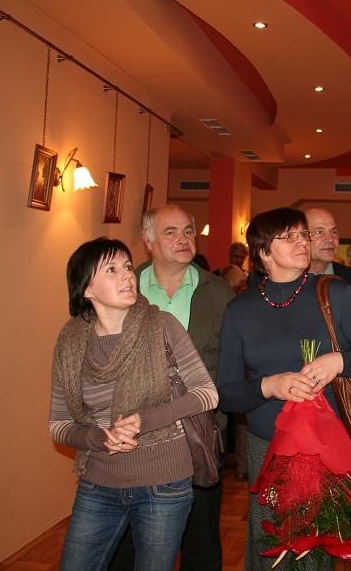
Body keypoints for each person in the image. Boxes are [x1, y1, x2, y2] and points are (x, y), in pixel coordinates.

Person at [216, 207, 351, 570]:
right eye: (290, 237)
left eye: (303, 234)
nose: (302, 242)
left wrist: (338, 362)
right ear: (263, 252)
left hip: (323, 447)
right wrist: (269, 385)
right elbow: (226, 393)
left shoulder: (335, 294)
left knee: (313, 554)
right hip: (266, 448)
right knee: (269, 547)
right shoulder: (239, 310)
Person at [49, 237, 218, 571]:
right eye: (111, 270)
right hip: (97, 483)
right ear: (86, 288)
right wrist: (97, 437)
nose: (127, 275)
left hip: (164, 483)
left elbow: (207, 393)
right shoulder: (70, 341)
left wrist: (145, 419)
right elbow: (58, 424)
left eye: (127, 266)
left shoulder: (162, 325)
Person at [111, 205, 234, 571]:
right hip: (136, 442)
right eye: (171, 232)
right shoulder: (121, 286)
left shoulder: (219, 292)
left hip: (198, 440)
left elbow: (230, 365)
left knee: (201, 546)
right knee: (129, 548)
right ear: (148, 241)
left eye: (188, 231)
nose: (183, 239)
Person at [304, 207, 351, 303]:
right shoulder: (287, 279)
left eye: (334, 232)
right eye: (320, 232)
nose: (330, 239)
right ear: (302, 237)